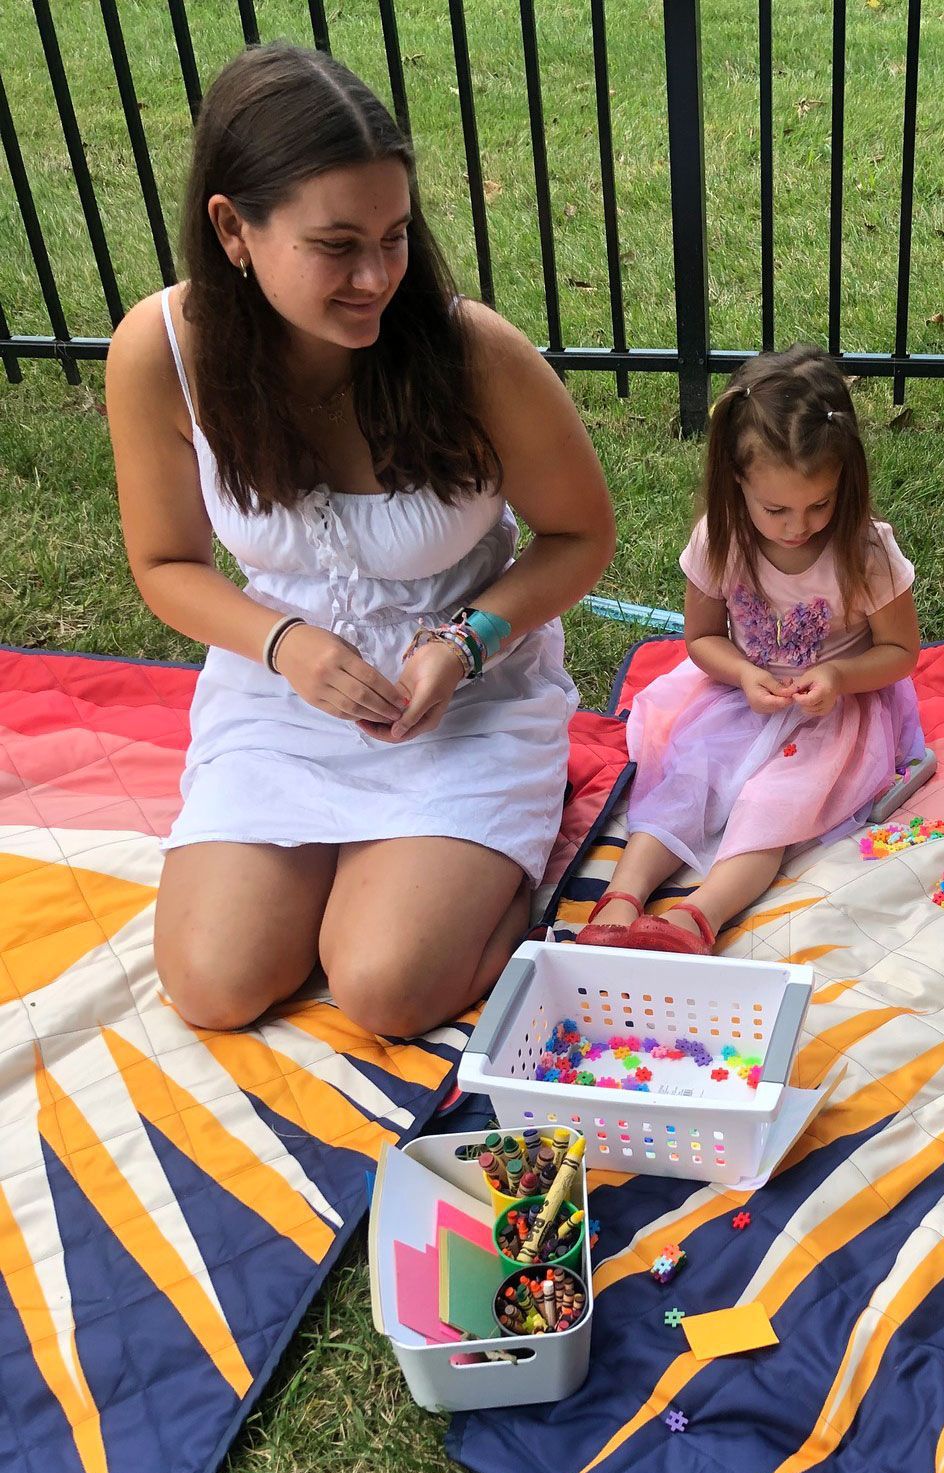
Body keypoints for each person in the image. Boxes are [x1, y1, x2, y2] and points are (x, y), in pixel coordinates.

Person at [104, 44, 614, 1037]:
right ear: (234, 230)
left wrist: (465, 642)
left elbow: (579, 535)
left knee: (387, 988)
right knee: (214, 984)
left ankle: (487, 854)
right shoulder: (162, 352)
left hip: (466, 699)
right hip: (281, 696)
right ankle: (378, 877)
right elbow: (165, 565)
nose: (377, 276)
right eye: (336, 245)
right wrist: (284, 645)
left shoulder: (473, 355)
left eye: (395, 236)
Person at [577, 344, 922, 954]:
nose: (798, 525)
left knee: (773, 807)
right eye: (776, 509)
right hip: (741, 698)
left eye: (820, 504)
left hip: (837, 711)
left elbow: (900, 652)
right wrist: (741, 673)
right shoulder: (721, 540)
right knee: (688, 782)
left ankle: (697, 917)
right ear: (736, 481)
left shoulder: (864, 551)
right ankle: (621, 899)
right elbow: (701, 638)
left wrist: (838, 676)